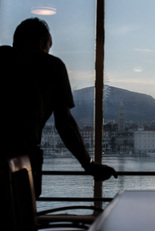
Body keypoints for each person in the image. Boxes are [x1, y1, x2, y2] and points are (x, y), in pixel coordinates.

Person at [0, 18, 117, 198]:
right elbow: (64, 123)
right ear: (41, 43)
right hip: (22, 159)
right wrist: (89, 165)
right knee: (21, 217)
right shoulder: (52, 66)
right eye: (49, 46)